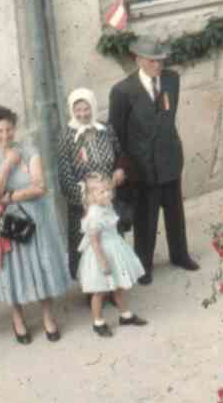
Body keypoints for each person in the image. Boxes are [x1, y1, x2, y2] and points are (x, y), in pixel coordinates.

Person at [0, 106, 71, 344]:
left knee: (41, 263)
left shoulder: (29, 150)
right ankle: (17, 318)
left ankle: (48, 317)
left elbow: (40, 186)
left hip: (36, 217)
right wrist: (8, 164)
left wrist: (10, 196)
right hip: (7, 224)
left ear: (14, 129)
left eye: (8, 129)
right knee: (13, 269)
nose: (5, 135)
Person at [108, 35, 199, 286]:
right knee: (145, 218)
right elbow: (116, 133)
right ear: (138, 60)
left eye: (161, 60)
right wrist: (123, 167)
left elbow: (167, 117)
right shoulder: (123, 91)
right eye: (152, 61)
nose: (158, 65)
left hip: (169, 158)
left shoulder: (172, 80)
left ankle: (180, 255)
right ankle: (143, 266)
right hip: (142, 167)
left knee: (175, 213)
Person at [56, 88, 127, 281]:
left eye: (86, 109)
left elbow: (120, 154)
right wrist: (87, 201)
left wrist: (119, 170)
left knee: (112, 244)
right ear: (72, 110)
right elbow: (65, 174)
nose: (83, 114)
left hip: (108, 198)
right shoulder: (66, 136)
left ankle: (115, 286)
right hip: (84, 206)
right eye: (78, 110)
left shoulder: (106, 129)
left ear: (93, 107)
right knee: (89, 249)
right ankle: (92, 291)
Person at [76, 174, 148, 337]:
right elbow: (94, 242)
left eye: (108, 190)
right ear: (91, 196)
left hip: (115, 249)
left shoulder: (106, 205)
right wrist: (102, 263)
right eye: (102, 192)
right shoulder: (94, 215)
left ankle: (125, 315)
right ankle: (98, 321)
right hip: (101, 254)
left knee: (119, 285)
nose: (107, 194)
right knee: (100, 291)